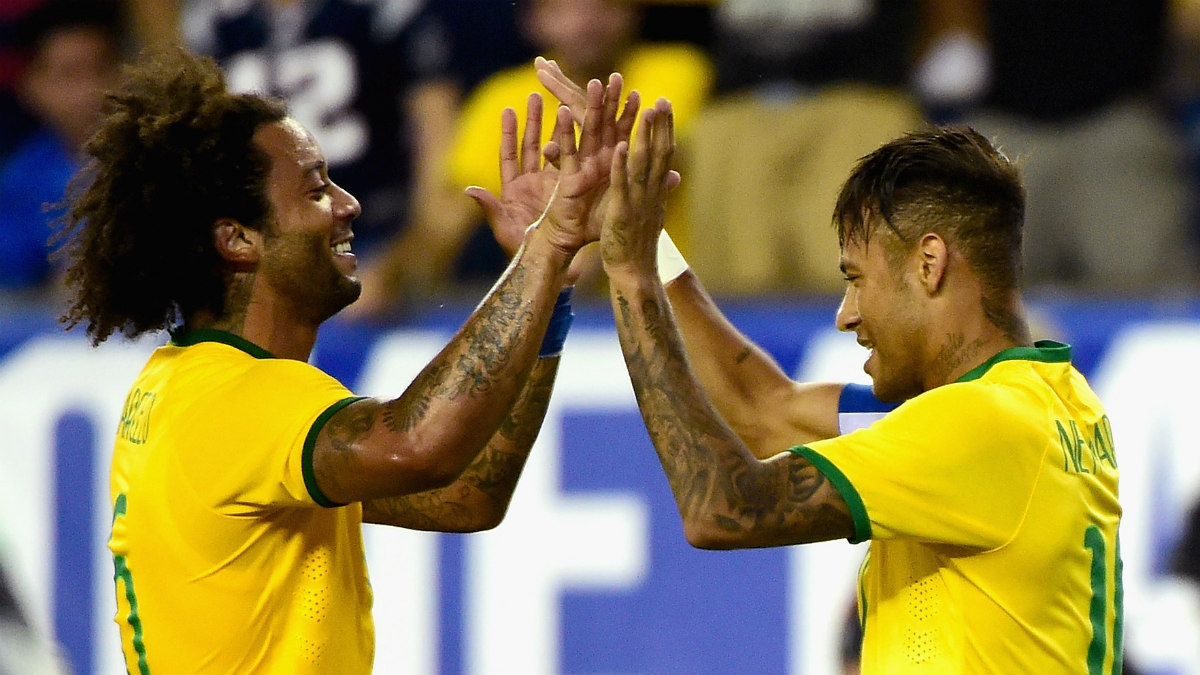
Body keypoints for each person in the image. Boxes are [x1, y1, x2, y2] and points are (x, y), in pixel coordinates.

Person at [53, 45, 633, 674]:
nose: (348, 203)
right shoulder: (238, 399)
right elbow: (417, 446)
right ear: (239, 239)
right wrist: (544, 252)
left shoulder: (188, 386)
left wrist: (549, 283)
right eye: (315, 189)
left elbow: (464, 496)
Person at [535, 62, 1123, 674]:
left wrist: (629, 273)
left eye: (856, 279)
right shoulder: (1040, 404)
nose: (846, 315)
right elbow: (763, 411)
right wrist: (640, 235)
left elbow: (723, 508)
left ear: (928, 264)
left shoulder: (976, 424)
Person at [348, 0, 713, 319]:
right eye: (565, 9)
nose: (587, 23)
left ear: (631, 14)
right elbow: (444, 222)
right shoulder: (501, 98)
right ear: (533, 20)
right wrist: (391, 274)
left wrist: (566, 248)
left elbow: (649, 171)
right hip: (551, 312)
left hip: (665, 302)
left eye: (604, 6)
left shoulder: (679, 69)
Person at [0, 0, 123, 296]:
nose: (92, 92)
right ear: (31, 85)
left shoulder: (165, 161)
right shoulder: (18, 183)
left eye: (102, 68)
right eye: (70, 75)